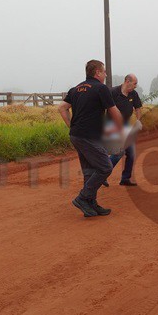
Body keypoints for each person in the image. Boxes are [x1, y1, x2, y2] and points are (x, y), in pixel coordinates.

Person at [58, 60, 124, 217]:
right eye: (104, 71)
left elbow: (61, 108)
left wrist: (71, 126)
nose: (106, 74)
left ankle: (91, 204)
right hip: (88, 137)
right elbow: (114, 112)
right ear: (98, 73)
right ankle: (82, 198)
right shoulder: (101, 88)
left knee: (89, 171)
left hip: (76, 135)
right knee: (105, 167)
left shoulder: (75, 89)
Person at [104, 74, 142, 187]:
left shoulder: (133, 94)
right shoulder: (113, 92)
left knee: (131, 153)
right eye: (134, 83)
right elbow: (103, 107)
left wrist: (138, 120)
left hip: (125, 126)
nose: (136, 86)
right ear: (127, 81)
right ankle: (101, 175)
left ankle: (125, 179)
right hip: (112, 125)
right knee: (117, 153)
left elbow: (138, 108)